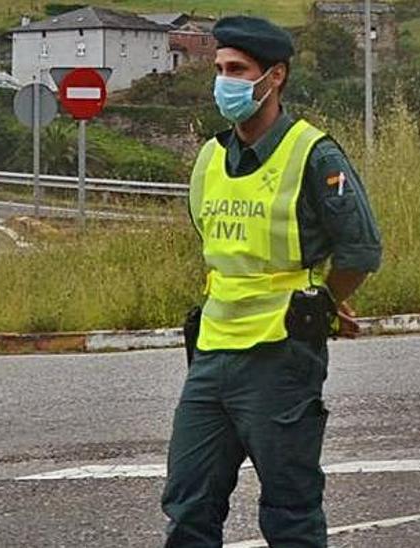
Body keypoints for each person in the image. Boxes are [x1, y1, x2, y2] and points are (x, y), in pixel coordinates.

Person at [160, 15, 383, 548]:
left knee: (289, 509)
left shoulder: (313, 153)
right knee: (188, 503)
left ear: (275, 76)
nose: (225, 81)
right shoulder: (211, 158)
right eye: (219, 68)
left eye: (237, 69)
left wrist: (327, 299)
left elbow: (361, 247)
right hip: (212, 353)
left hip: (281, 354)